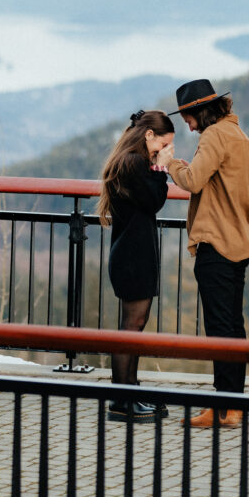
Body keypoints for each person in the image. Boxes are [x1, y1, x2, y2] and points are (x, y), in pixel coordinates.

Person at [159, 79, 249, 429]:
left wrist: (170, 164)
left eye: (186, 115)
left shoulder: (213, 137)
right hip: (239, 241)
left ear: (199, 110)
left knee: (219, 330)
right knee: (233, 327)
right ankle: (234, 406)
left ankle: (220, 409)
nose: (186, 122)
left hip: (216, 243)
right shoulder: (239, 136)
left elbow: (194, 181)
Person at [97, 108, 175, 423]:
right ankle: (121, 400)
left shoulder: (131, 162)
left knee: (135, 327)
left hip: (133, 254)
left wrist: (157, 165)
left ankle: (129, 390)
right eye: (162, 145)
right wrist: (161, 168)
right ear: (148, 135)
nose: (163, 151)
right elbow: (154, 200)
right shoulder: (132, 164)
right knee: (130, 328)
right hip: (132, 257)